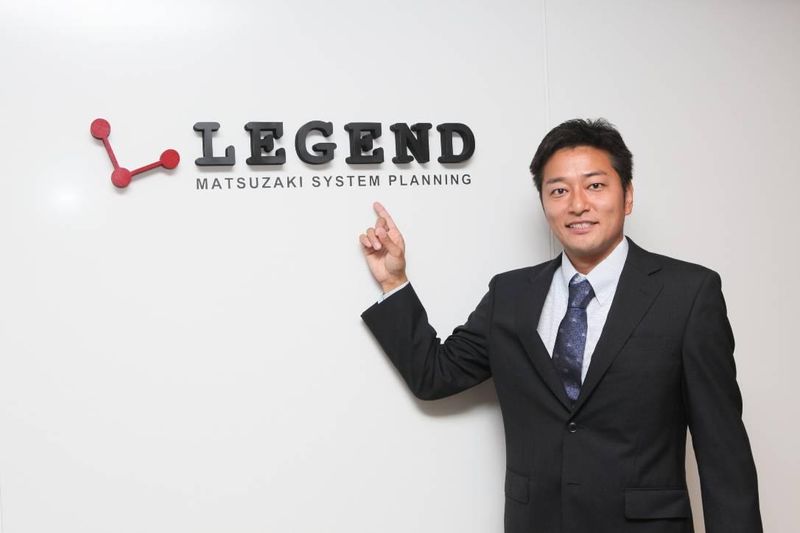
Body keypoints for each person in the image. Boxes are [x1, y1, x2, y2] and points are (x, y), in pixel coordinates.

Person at [358, 119, 762, 533]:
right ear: (544, 204)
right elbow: (434, 375)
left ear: (627, 196)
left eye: (595, 185)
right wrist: (394, 282)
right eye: (559, 191)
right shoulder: (510, 295)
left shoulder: (688, 294)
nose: (577, 205)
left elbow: (723, 453)